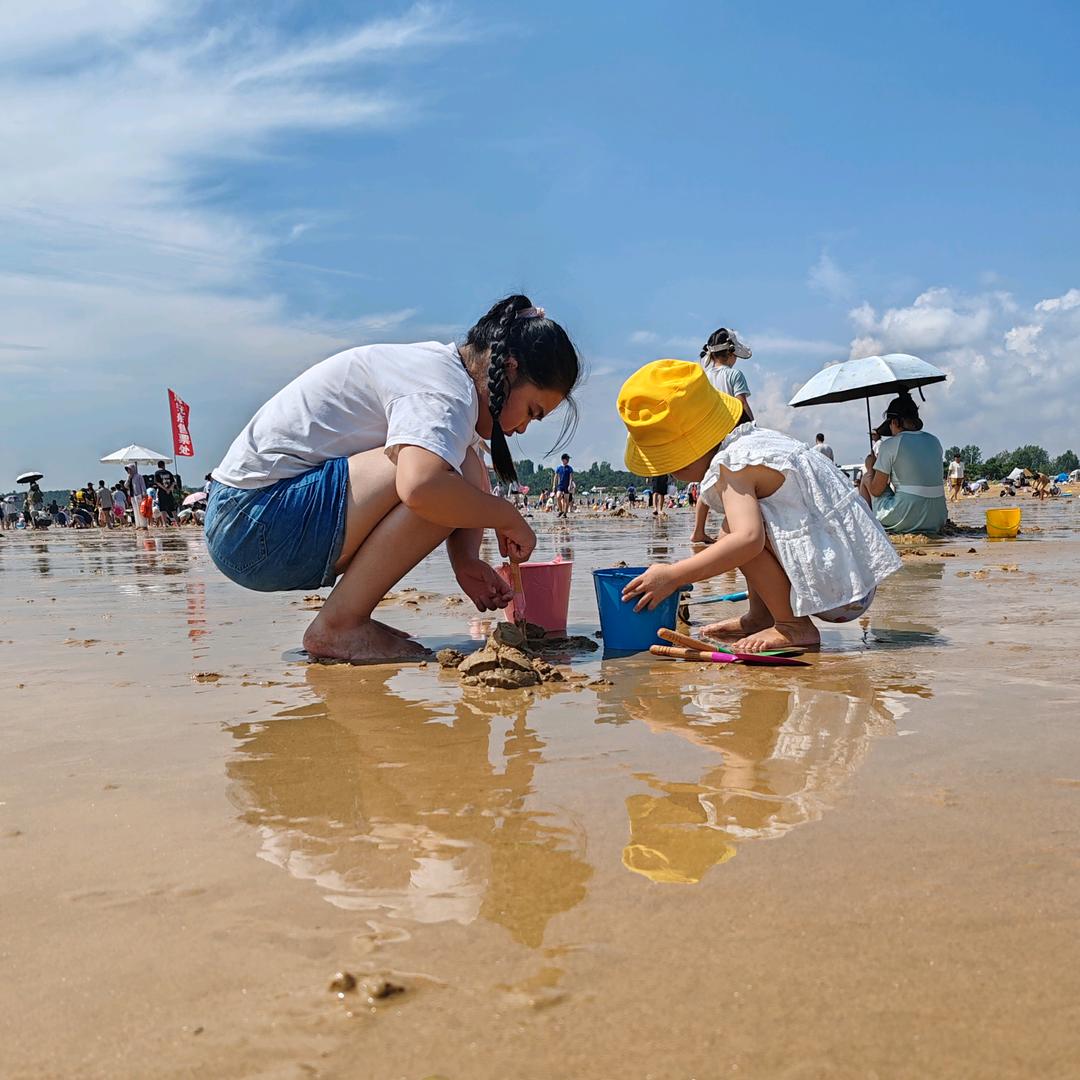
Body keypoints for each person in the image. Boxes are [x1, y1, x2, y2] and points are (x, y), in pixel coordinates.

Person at [205, 294, 580, 662]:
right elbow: (421, 487)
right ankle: (339, 624)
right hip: (251, 525)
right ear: (509, 368)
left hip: (253, 521)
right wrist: (506, 515)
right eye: (532, 411)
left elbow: (469, 472)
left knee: (460, 463)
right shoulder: (442, 389)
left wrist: (466, 559)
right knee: (434, 477)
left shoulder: (447, 381)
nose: (523, 429)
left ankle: (349, 617)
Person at [616, 361, 902, 652]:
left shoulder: (732, 465)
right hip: (855, 577)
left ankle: (793, 626)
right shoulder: (758, 443)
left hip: (839, 592)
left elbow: (749, 541)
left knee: (736, 535)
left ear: (687, 453)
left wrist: (674, 575)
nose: (670, 474)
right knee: (738, 526)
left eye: (667, 465)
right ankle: (761, 616)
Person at [692, 327, 754, 544]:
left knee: (708, 481)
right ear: (730, 354)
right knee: (735, 479)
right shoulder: (734, 374)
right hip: (732, 432)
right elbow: (741, 404)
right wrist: (753, 425)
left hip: (708, 434)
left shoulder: (704, 376)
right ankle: (730, 529)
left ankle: (698, 530)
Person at [859, 393, 948, 535]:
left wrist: (871, 468)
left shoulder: (890, 445)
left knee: (865, 478)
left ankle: (868, 528)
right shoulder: (934, 441)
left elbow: (876, 490)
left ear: (894, 422)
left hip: (905, 518)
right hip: (937, 518)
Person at [125, 464, 149, 529]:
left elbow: (142, 485)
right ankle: (138, 524)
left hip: (139, 495)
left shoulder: (139, 476)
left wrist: (144, 493)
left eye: (129, 469)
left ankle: (143, 525)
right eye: (127, 470)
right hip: (132, 496)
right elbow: (126, 486)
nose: (128, 471)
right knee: (135, 511)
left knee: (140, 510)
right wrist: (129, 478)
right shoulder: (129, 477)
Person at [154, 461, 178, 525]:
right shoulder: (169, 473)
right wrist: (169, 489)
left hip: (161, 492)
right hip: (169, 493)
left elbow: (158, 483)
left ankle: (164, 524)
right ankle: (178, 523)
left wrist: (165, 489)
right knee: (172, 508)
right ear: (164, 465)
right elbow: (173, 482)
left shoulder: (157, 473)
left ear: (158, 466)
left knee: (162, 508)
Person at [552, 453, 574, 517]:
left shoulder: (569, 468)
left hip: (567, 486)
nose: (568, 460)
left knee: (566, 499)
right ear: (563, 460)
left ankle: (565, 513)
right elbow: (555, 477)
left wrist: (570, 485)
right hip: (560, 485)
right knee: (558, 496)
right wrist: (554, 485)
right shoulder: (559, 468)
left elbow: (571, 477)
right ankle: (561, 510)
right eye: (567, 459)